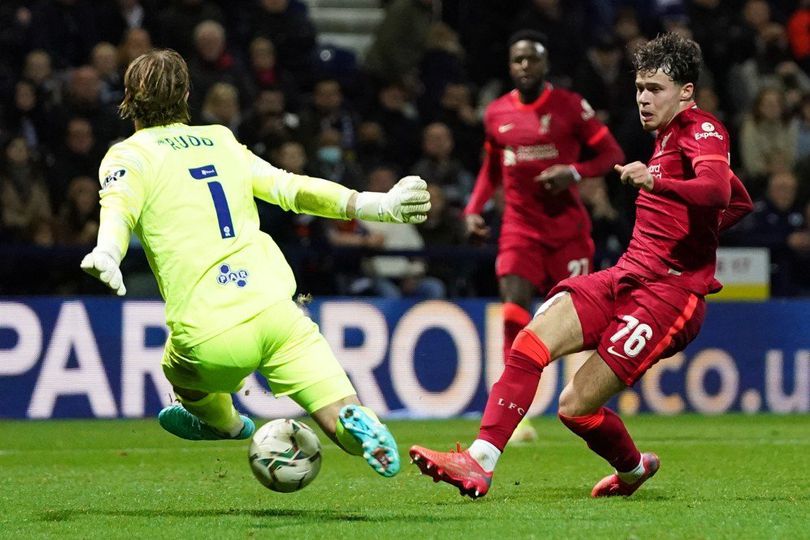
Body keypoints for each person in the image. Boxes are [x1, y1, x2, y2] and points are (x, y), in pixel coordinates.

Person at [410, 32, 753, 499]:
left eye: (656, 88)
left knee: (575, 407)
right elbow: (739, 201)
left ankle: (631, 472)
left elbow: (718, 191)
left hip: (668, 296)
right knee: (531, 341)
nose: (644, 98)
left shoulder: (703, 129)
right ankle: (479, 461)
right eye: (639, 88)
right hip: (626, 274)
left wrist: (658, 186)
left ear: (686, 91)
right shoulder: (669, 135)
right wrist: (700, 227)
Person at [80, 49, 431, 479]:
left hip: (212, 329)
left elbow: (117, 208)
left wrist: (108, 251)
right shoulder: (221, 140)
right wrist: (376, 204)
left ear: (128, 97)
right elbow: (291, 188)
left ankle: (226, 423)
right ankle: (357, 423)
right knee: (339, 414)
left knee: (181, 372)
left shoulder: (128, 156)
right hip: (277, 310)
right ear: (187, 93)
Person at [463, 29, 624, 442]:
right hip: (519, 229)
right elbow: (491, 169)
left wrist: (574, 172)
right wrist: (472, 209)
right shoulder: (496, 112)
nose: (524, 67)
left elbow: (612, 155)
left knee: (583, 326)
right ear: (509, 65)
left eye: (532, 59)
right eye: (517, 60)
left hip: (568, 232)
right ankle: (513, 418)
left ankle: (587, 402)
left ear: (545, 63)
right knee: (513, 312)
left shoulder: (570, 106)